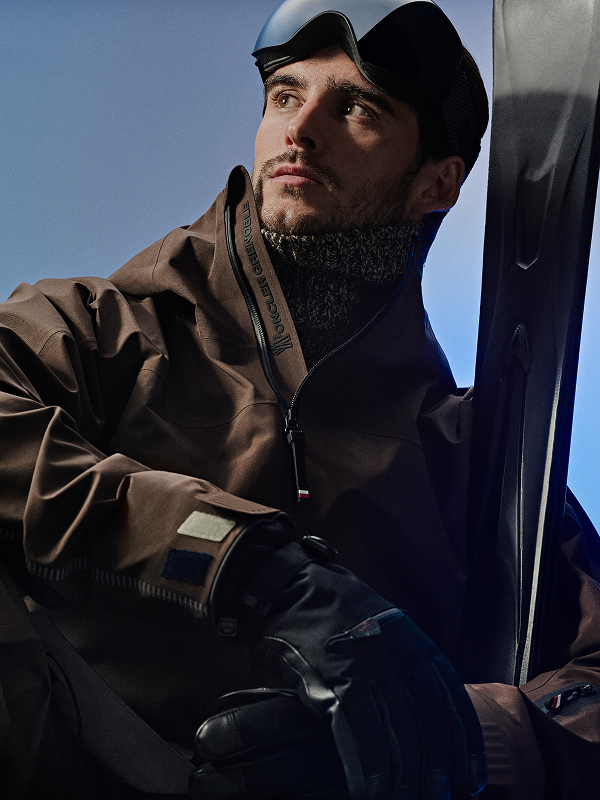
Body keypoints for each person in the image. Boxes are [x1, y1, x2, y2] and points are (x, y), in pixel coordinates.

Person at [0, 1, 598, 798]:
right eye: (285, 96)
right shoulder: (96, 331)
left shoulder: (479, 457)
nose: (300, 129)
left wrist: (437, 733)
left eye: (357, 108)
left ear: (437, 182)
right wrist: (252, 566)